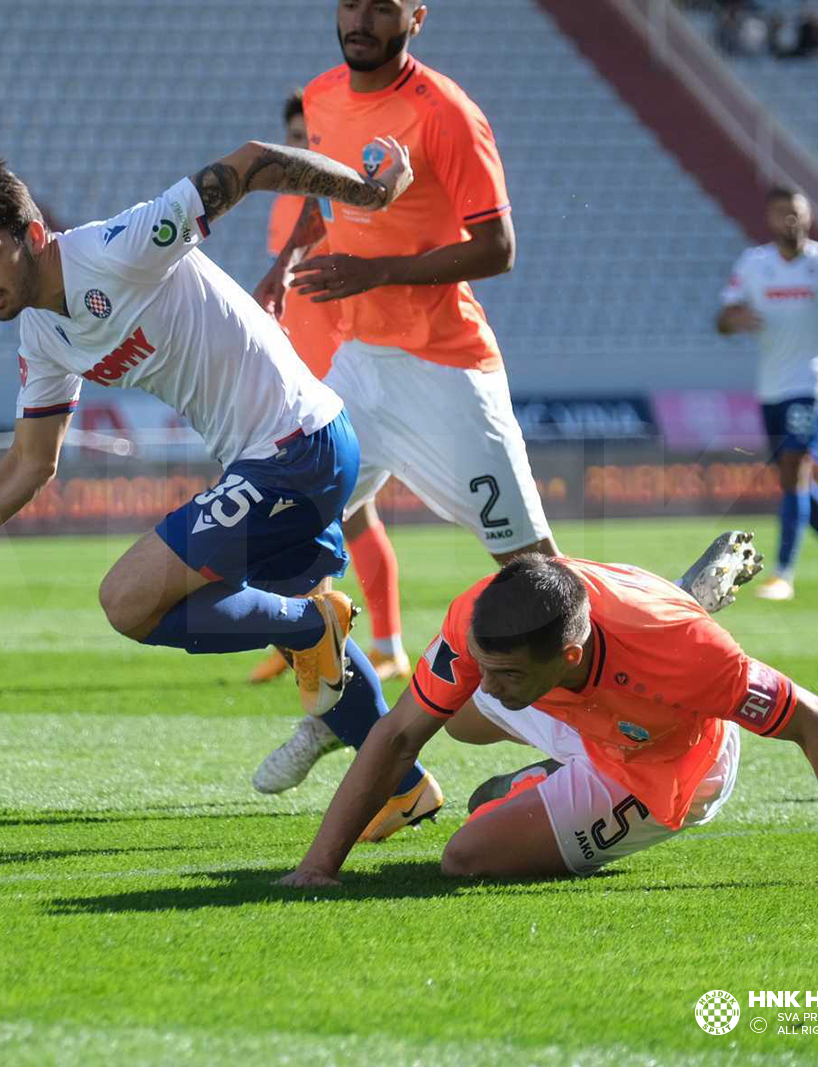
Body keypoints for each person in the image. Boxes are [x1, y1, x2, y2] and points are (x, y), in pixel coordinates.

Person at [0, 138, 449, 841]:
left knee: (129, 599)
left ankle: (311, 623)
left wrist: (369, 194)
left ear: (32, 235)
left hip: (297, 447)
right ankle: (402, 786)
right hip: (275, 460)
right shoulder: (42, 335)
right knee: (300, 645)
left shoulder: (119, 245)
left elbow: (253, 162)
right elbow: (29, 463)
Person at [251, 0, 558, 793]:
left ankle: (585, 741)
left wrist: (378, 273)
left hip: (444, 368)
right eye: (350, 3)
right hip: (358, 364)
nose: (360, 18)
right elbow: (325, 205)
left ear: (415, 16)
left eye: (381, 6)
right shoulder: (321, 97)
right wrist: (283, 266)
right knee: (275, 543)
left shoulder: (447, 113)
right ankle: (346, 714)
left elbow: (499, 247)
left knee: (532, 572)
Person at [278, 553, 818, 890]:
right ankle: (557, 770)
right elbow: (397, 734)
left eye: (503, 673)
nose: (488, 680)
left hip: (668, 761)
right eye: (483, 665)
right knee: (459, 717)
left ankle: (539, 786)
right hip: (581, 703)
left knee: (467, 858)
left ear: (570, 653)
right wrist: (318, 866)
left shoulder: (693, 656)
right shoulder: (479, 616)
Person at [249, 88, 411, 699]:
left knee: (330, 511)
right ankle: (311, 640)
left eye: (308, 139)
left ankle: (362, 643)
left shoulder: (340, 200)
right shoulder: (283, 206)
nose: (299, 149)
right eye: (292, 138)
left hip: (337, 374)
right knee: (330, 512)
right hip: (294, 370)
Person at [717, 185, 818, 601]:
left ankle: (783, 575)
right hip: (770, 387)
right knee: (795, 480)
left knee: (796, 473)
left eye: (797, 212)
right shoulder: (754, 265)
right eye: (782, 213)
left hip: (811, 383)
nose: (790, 220)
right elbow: (721, 319)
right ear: (769, 219)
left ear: (808, 216)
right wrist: (735, 318)